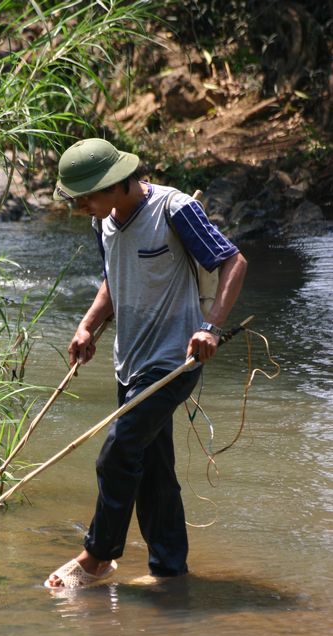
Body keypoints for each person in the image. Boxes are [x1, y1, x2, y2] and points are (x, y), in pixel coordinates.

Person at [45, 138, 247, 588]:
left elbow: (234, 262)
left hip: (175, 361)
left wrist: (211, 327)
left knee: (116, 452)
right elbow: (114, 282)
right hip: (129, 363)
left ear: (118, 185)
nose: (82, 208)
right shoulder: (104, 223)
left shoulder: (174, 210)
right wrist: (88, 326)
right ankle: (170, 571)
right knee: (153, 469)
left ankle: (97, 557)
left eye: (87, 198)